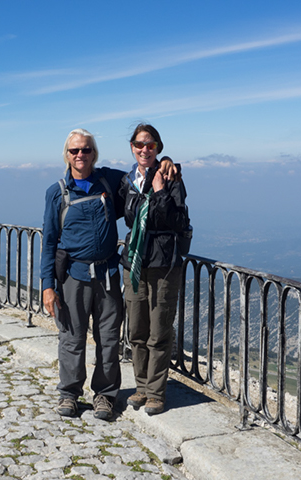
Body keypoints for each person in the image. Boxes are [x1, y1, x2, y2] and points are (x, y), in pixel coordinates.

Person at [41, 128, 178, 421]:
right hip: (73, 276)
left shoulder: (109, 180)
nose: (81, 155)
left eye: (86, 150)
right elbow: (49, 242)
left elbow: (143, 169)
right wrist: (47, 286)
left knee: (108, 338)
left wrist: (166, 160)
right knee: (71, 337)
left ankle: (104, 395)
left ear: (95, 153)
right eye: (74, 151)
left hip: (107, 275)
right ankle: (69, 394)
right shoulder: (57, 192)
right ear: (66, 155)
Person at [119, 123, 190, 415]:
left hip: (163, 264)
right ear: (132, 148)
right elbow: (128, 217)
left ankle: (157, 393)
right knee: (136, 329)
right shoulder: (128, 180)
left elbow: (171, 219)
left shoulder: (172, 178)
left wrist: (159, 190)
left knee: (159, 330)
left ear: (158, 147)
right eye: (139, 145)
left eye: (150, 145)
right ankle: (142, 387)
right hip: (136, 261)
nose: (144, 149)